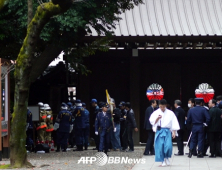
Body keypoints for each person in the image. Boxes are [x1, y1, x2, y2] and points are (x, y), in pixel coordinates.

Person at [149, 99, 180, 167]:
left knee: (168, 146)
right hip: (159, 130)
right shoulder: (156, 112)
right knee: (160, 146)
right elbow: (152, 121)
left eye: (163, 106)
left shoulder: (170, 113)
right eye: (160, 106)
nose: (162, 108)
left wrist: (174, 132)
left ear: (165, 105)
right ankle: (162, 160)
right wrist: (157, 118)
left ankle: (166, 157)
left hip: (167, 131)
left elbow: (174, 122)